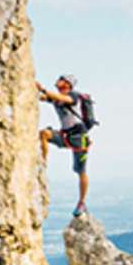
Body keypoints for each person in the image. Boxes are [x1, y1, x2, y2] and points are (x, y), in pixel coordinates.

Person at [38, 74, 91, 217]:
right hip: (65, 135)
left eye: (61, 79)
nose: (57, 80)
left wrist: (43, 90)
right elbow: (44, 98)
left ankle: (82, 202)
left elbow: (62, 99)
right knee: (44, 134)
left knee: (81, 171)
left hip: (79, 137)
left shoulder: (73, 96)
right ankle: (42, 164)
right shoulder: (57, 98)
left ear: (67, 84)